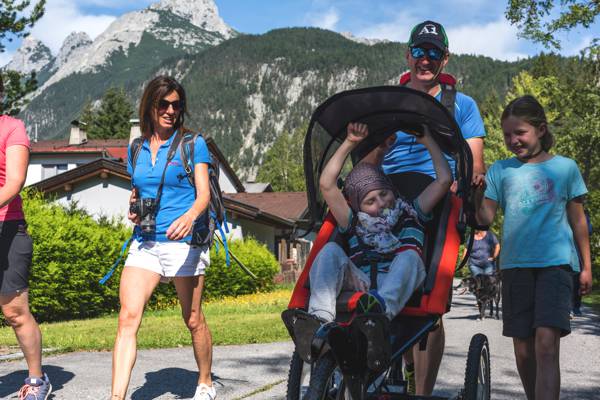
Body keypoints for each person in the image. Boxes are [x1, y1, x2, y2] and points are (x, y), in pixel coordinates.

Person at [363, 20, 487, 396]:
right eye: (419, 51)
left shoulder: (461, 105)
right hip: (387, 193)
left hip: (437, 187)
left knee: (427, 305)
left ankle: (422, 392)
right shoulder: (389, 104)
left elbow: (475, 162)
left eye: (434, 53)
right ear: (408, 55)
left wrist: (473, 180)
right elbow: (368, 164)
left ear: (445, 58)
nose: (425, 59)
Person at [475, 95, 592, 400]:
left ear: (540, 129)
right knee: (524, 350)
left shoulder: (566, 168)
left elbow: (579, 221)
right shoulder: (500, 171)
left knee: (545, 344)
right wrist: (474, 193)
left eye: (520, 132)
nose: (513, 140)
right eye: (507, 135)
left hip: (556, 264)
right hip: (515, 266)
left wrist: (586, 267)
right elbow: (484, 218)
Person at [111, 76, 216, 400]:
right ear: (150, 105)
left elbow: (204, 195)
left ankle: (205, 382)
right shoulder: (137, 148)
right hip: (147, 243)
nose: (171, 110)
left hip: (185, 244)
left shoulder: (192, 143)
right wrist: (133, 207)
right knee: (128, 317)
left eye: (176, 105)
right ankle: (116, 397)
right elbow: (137, 188)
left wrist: (188, 217)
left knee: (193, 318)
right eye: (164, 104)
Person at [308, 122, 451, 327]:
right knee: (330, 250)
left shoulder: (412, 212)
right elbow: (326, 185)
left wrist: (427, 140)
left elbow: (444, 180)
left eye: (384, 193)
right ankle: (319, 320)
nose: (382, 203)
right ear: (360, 207)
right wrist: (349, 142)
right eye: (370, 201)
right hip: (362, 282)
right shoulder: (354, 221)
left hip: (399, 282)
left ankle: (380, 313)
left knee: (409, 256)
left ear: (392, 189)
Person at [0, 76, 52, 399]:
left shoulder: (13, 128)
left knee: (15, 312)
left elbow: (15, 181)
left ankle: (38, 380)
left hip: (9, 228)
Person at [571, 209, 592, 317]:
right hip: (566, 252)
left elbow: (588, 230)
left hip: (578, 254)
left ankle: (576, 307)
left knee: (577, 281)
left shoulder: (583, 214)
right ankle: (570, 307)